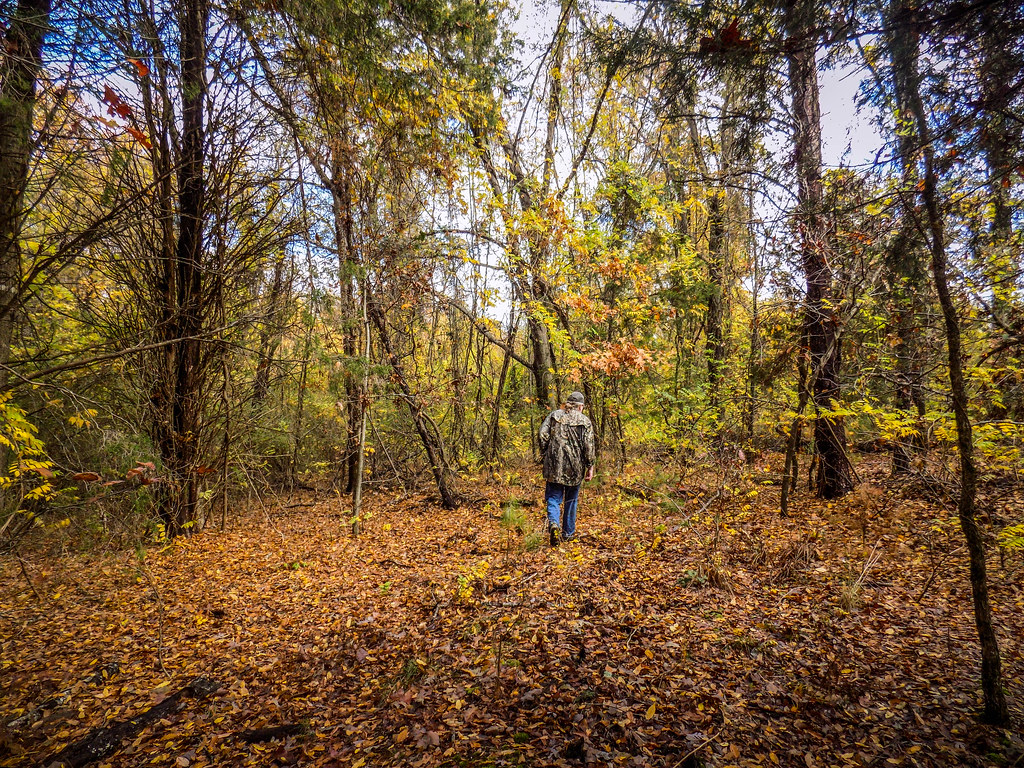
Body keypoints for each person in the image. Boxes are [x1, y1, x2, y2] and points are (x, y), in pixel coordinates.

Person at [539, 391, 595, 546]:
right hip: (575, 467)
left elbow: (542, 435)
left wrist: (546, 454)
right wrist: (590, 466)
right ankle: (568, 534)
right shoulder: (585, 421)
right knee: (571, 499)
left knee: (553, 497)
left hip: (554, 465)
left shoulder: (554, 415)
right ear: (581, 406)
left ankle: (554, 524)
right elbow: (589, 446)